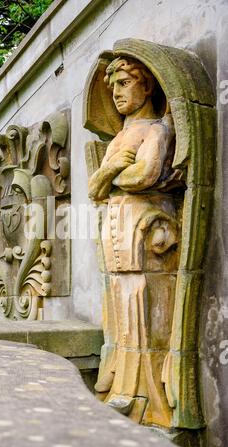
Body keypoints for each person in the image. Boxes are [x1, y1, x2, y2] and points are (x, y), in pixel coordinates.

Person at [89, 57, 178, 427]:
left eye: (124, 83)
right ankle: (122, 386)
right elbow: (95, 188)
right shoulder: (120, 139)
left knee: (144, 304)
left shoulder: (156, 130)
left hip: (146, 228)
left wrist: (113, 177)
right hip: (117, 227)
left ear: (147, 86)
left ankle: (146, 397)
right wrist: (110, 170)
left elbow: (146, 173)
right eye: (113, 87)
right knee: (122, 300)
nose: (117, 93)